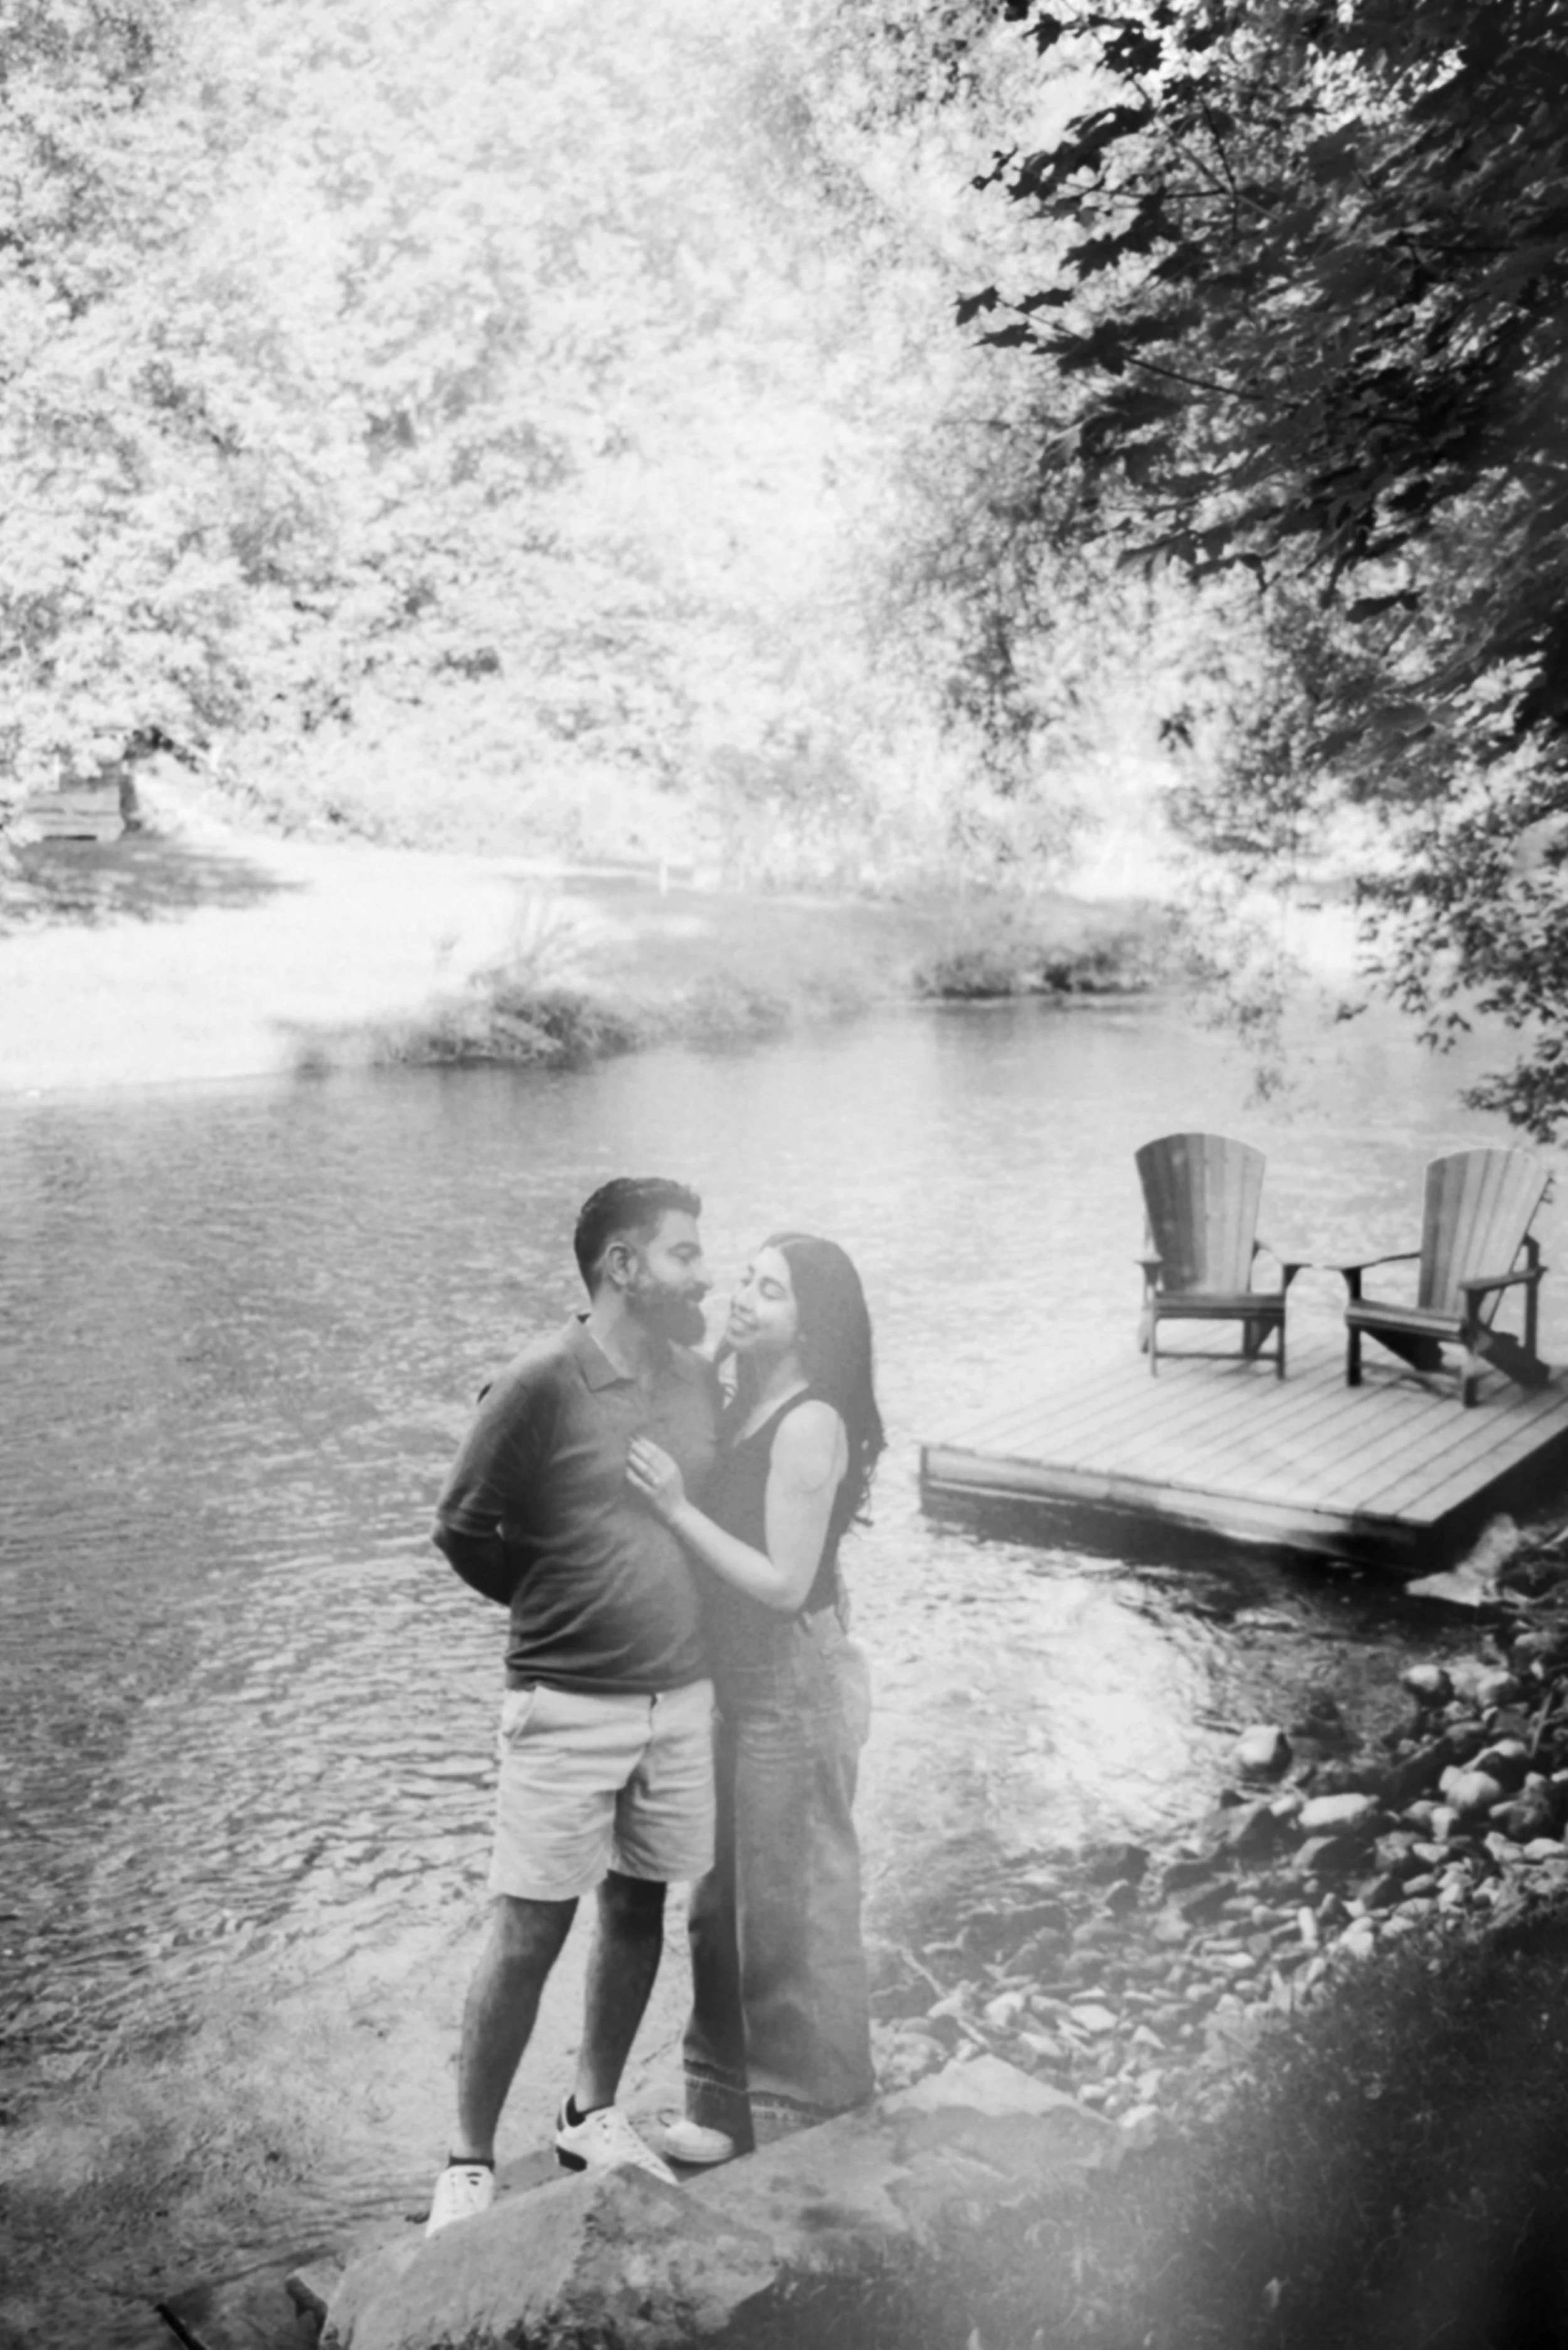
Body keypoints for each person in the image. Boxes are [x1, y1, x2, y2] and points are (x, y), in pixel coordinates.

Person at [425, 1176, 720, 2235]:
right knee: (528, 1927)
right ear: (623, 1266)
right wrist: (554, 1606)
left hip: (679, 1698)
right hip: (564, 1700)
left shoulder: (694, 1377)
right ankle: (466, 2157)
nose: (705, 1272)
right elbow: (463, 1529)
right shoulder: (539, 1381)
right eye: (685, 1253)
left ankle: (591, 2110)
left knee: (640, 1903)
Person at [625, 1231, 883, 2161]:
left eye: (770, 1291)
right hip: (736, 1684)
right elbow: (671, 1378)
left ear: (812, 1323)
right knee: (719, 1896)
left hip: (792, 1680)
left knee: (791, 1906)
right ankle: (726, 2106)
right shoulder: (744, 1397)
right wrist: (728, 1343)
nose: (744, 1295)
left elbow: (781, 1582)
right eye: (745, 1278)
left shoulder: (810, 1420)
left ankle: (809, 2122)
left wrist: (675, 1511)